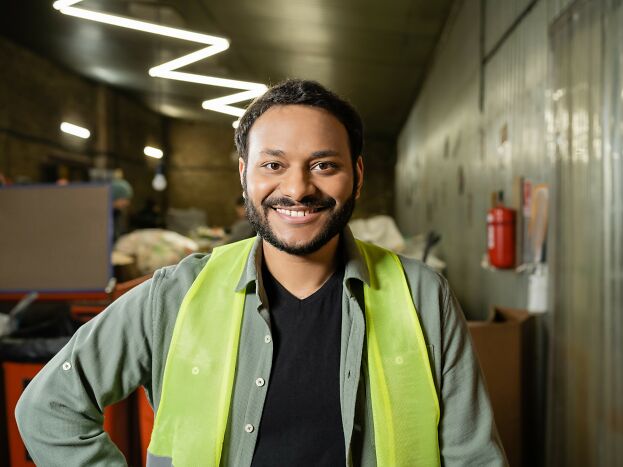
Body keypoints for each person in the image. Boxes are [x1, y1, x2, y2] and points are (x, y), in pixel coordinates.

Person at [15, 79, 505, 466]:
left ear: (356, 175)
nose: (297, 187)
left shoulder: (421, 295)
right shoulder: (175, 295)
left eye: (323, 165)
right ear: (244, 174)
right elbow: (49, 407)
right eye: (273, 164)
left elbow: (473, 457)